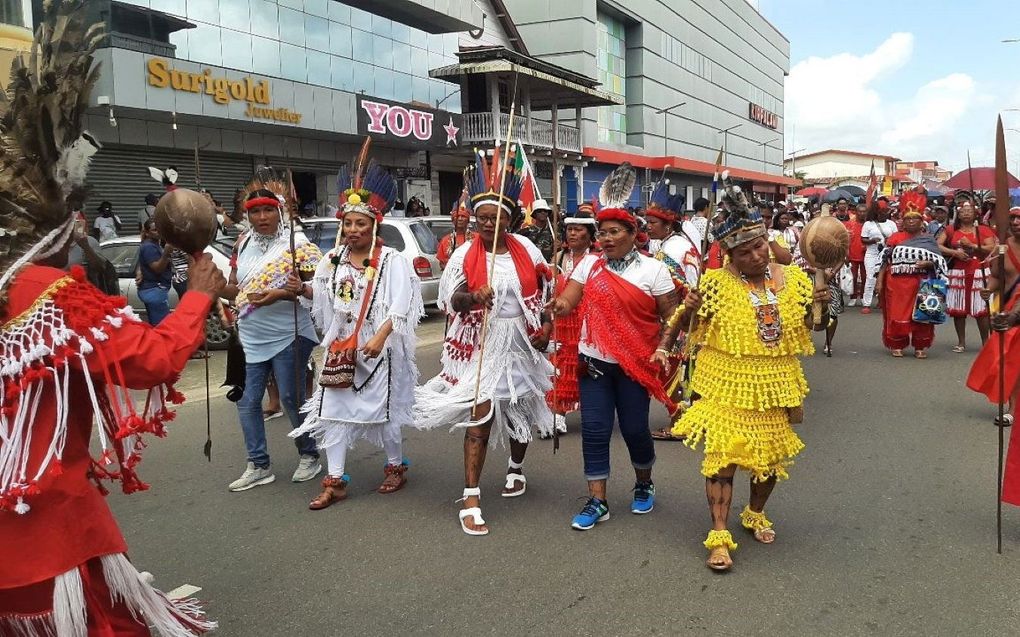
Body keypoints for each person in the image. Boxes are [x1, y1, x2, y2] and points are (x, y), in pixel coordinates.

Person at [0, 5, 219, 632]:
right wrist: (198, 294)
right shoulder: (49, 293)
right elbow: (150, 361)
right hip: (44, 529)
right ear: (63, 223)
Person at [665, 177, 828, 571]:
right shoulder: (714, 284)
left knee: (767, 460)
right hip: (723, 385)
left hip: (774, 386)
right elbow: (684, 329)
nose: (755, 256)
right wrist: (686, 310)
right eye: (743, 251)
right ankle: (719, 535)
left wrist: (820, 306)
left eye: (758, 246)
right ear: (729, 255)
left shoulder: (797, 280)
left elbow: (813, 328)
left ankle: (754, 513)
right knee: (722, 461)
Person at [415, 148, 553, 536]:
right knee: (481, 415)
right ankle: (471, 495)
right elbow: (451, 302)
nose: (488, 224)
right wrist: (474, 298)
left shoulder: (527, 249)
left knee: (520, 410)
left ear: (510, 221)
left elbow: (544, 297)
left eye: (497, 219)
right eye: (482, 219)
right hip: (483, 344)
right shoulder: (464, 254)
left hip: (521, 343)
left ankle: (515, 468)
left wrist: (545, 328)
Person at [289, 148, 424, 509]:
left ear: (374, 225)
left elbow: (402, 305)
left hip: (380, 347)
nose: (352, 230)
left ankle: (395, 466)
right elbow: (319, 298)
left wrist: (380, 337)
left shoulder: (392, 261)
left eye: (359, 224)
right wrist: (299, 288)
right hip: (342, 347)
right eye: (347, 224)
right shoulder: (331, 260)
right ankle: (335, 481)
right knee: (331, 410)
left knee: (386, 412)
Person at [548, 165, 679, 530]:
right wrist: (556, 306)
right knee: (594, 429)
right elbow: (570, 300)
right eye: (601, 232)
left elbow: (671, 315)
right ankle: (598, 500)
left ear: (632, 234)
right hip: (594, 363)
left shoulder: (653, 271)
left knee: (636, 430)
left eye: (613, 232)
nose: (605, 239)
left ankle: (643, 483)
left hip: (635, 364)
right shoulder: (589, 265)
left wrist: (665, 346)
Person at [220, 169, 324, 492]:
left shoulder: (297, 242)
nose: (261, 217)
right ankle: (259, 464)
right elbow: (236, 288)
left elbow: (318, 285)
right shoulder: (242, 243)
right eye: (254, 212)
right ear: (246, 215)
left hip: (289, 334)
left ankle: (309, 455)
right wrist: (216, 290)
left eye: (267, 210)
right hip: (251, 336)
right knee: (247, 400)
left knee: (292, 398)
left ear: (280, 211)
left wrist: (287, 290)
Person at [968, 207, 1020, 488]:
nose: (1016, 222)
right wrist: (989, 290)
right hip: (1009, 313)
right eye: (1013, 218)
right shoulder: (1002, 249)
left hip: (1017, 315)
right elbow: (1000, 280)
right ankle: (1012, 407)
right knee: (1012, 361)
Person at [875, 190, 947, 359]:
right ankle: (897, 344)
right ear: (903, 221)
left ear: (922, 221)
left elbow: (940, 263)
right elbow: (885, 261)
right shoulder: (894, 238)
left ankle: (920, 346)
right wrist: (879, 281)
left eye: (915, 218)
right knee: (897, 314)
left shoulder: (929, 240)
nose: (911, 221)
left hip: (921, 282)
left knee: (923, 313)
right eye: (908, 218)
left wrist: (929, 264)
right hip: (897, 284)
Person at [544, 214, 598, 438]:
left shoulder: (596, 260)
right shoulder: (558, 258)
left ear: (590, 234)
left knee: (585, 369)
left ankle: (595, 412)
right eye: (570, 229)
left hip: (587, 325)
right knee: (558, 368)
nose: (573, 234)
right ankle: (557, 415)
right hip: (561, 323)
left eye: (579, 229)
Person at [939, 191, 996, 352]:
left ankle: (986, 342)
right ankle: (961, 342)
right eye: (962, 211)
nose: (965, 214)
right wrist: (954, 253)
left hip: (979, 272)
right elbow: (938, 245)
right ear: (958, 214)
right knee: (959, 311)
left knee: (982, 310)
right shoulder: (951, 229)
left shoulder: (983, 230)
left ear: (975, 214)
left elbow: (991, 248)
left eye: (969, 211)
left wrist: (972, 247)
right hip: (958, 273)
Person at [860, 200, 897, 313]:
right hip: (872, 254)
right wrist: (872, 241)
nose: (884, 213)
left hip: (886, 255)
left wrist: (889, 241)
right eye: (881, 211)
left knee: (886, 278)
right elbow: (863, 239)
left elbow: (897, 238)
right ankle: (866, 304)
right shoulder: (868, 224)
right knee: (871, 278)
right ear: (876, 212)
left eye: (886, 211)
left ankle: (882, 301)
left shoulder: (891, 224)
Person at [137, 218, 174, 326]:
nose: (158, 232)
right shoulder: (149, 247)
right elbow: (157, 268)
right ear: (147, 233)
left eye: (159, 229)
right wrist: (166, 254)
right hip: (154, 289)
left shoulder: (154, 244)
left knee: (158, 324)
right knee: (162, 325)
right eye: (154, 230)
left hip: (155, 289)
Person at [437, 198, 474, 269]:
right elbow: (442, 264)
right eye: (457, 216)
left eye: (463, 216)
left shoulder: (477, 238)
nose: (460, 219)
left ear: (468, 220)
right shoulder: (445, 240)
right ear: (453, 220)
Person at [844, 204, 866, 306]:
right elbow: (845, 241)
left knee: (865, 277)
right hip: (852, 255)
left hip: (866, 255)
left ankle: (862, 296)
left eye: (864, 211)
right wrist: (846, 254)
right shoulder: (849, 224)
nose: (862, 213)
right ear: (856, 212)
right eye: (860, 211)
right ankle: (853, 297)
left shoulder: (869, 225)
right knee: (852, 277)